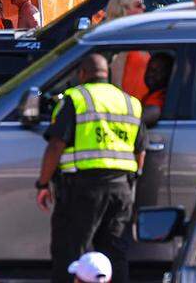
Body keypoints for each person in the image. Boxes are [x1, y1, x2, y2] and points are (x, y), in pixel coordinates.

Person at [37, 54, 146, 283]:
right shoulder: (129, 102)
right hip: (121, 189)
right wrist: (132, 180)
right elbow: (140, 150)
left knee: (71, 254)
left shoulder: (76, 98)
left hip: (82, 189)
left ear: (82, 74)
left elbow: (56, 144)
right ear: (107, 74)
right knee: (115, 256)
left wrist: (43, 183)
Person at [104, 0, 149, 101]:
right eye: (138, 5)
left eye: (142, 4)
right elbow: (117, 87)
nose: (144, 8)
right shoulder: (120, 42)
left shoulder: (135, 38)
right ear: (123, 9)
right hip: (130, 112)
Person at [140, 52, 173, 126]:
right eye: (149, 69)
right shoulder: (150, 95)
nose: (150, 74)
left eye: (156, 71)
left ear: (168, 74)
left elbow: (154, 112)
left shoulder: (162, 97)